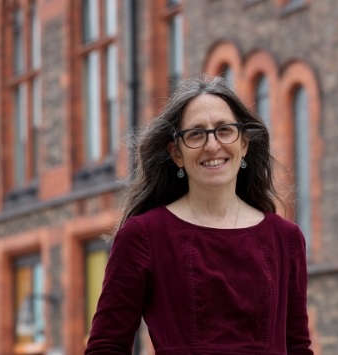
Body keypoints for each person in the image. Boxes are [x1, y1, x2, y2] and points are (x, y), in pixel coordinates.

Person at [85, 75, 313, 355]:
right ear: (176, 153)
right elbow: (107, 347)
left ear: (244, 144)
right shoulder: (143, 236)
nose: (212, 145)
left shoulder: (285, 238)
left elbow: (298, 347)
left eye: (224, 130)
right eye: (196, 134)